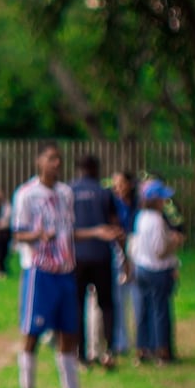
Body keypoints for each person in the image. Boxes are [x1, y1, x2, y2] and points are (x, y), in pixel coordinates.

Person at [12, 143, 102, 388]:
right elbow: (18, 233)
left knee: (69, 334)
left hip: (65, 270)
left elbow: (68, 230)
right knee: (32, 334)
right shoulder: (27, 194)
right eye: (50, 158)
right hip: (40, 271)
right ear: (39, 161)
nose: (56, 163)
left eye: (59, 158)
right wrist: (38, 236)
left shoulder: (65, 193)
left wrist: (96, 232)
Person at [70, 154, 123, 368]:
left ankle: (81, 354)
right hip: (101, 255)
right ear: (96, 169)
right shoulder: (105, 192)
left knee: (78, 306)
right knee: (107, 305)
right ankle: (108, 350)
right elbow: (115, 225)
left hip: (77, 258)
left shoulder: (68, 191)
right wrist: (124, 255)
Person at [133, 180, 183, 365]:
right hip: (158, 270)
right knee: (160, 311)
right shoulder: (157, 220)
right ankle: (162, 351)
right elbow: (159, 250)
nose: (165, 201)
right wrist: (174, 242)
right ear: (155, 200)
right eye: (162, 198)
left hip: (142, 267)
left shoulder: (141, 217)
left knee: (144, 310)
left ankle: (143, 348)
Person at [111, 170, 141, 355]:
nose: (118, 188)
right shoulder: (113, 204)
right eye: (115, 184)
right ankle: (120, 341)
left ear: (130, 184)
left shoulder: (139, 204)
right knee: (119, 299)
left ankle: (142, 340)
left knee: (138, 297)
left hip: (137, 250)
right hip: (118, 250)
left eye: (121, 183)